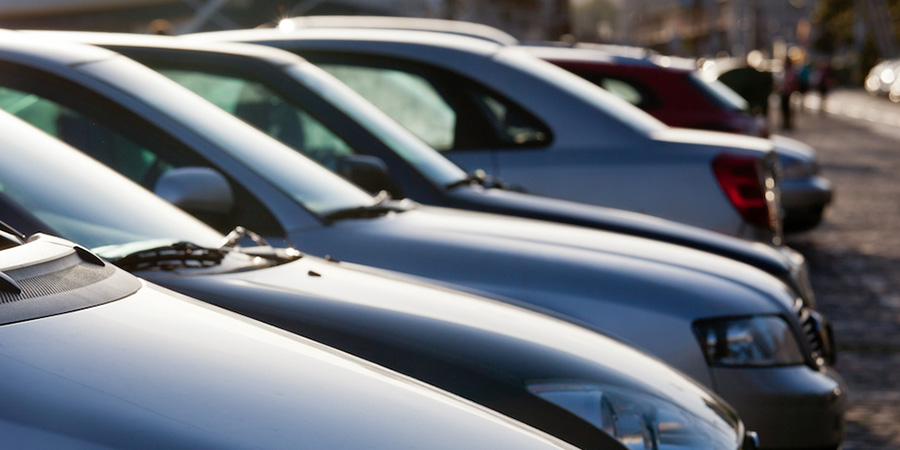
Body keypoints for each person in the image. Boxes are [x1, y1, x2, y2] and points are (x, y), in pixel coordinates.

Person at [778, 56, 799, 130]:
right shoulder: (790, 71)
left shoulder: (790, 72)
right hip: (787, 92)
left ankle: (788, 124)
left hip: (787, 93)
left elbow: (788, 82)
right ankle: (786, 123)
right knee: (786, 109)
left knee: (786, 109)